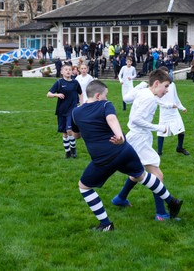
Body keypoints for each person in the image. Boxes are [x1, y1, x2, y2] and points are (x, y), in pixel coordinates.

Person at [72, 80, 182, 231]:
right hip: (125, 150)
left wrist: (81, 128)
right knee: (142, 175)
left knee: (84, 187)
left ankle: (106, 224)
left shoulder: (76, 112)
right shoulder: (105, 105)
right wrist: (120, 137)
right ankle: (171, 201)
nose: (106, 98)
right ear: (98, 95)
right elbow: (111, 118)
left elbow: (76, 135)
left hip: (104, 158)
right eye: (106, 95)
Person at [112, 69, 183, 221]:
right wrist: (159, 127)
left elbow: (126, 98)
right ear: (156, 83)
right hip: (139, 139)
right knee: (157, 176)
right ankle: (161, 214)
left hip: (137, 137)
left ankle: (120, 198)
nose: (167, 90)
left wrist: (141, 86)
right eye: (165, 86)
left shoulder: (145, 92)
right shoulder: (149, 97)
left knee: (137, 173)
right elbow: (136, 119)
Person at [47, 63, 82, 159]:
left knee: (69, 130)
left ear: (72, 71)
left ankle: (73, 149)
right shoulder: (59, 82)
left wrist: (81, 105)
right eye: (66, 69)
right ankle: (67, 151)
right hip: (61, 110)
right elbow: (48, 94)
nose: (68, 71)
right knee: (65, 133)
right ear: (62, 72)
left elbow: (80, 93)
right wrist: (56, 95)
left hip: (72, 110)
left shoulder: (75, 83)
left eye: (70, 69)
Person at [156, 67, 190, 156]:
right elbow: (157, 101)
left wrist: (181, 107)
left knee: (181, 130)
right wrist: (170, 105)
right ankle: (159, 152)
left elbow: (176, 98)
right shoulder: (157, 86)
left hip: (174, 112)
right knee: (161, 131)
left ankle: (179, 148)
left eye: (167, 73)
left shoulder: (172, 85)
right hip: (164, 113)